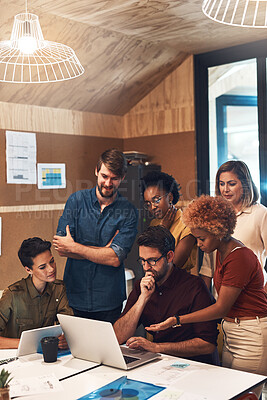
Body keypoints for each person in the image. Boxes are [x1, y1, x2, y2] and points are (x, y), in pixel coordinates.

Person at [147, 196, 267, 397]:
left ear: (219, 231)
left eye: (202, 238)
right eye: (196, 238)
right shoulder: (220, 251)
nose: (199, 244)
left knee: (247, 396)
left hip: (251, 336)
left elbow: (220, 307)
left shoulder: (239, 257)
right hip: (232, 332)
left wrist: (177, 320)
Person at [53, 149, 138, 324]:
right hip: (74, 296)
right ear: (96, 171)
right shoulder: (76, 201)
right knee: (74, 351)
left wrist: (75, 247)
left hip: (109, 300)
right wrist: (105, 251)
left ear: (122, 177)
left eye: (114, 178)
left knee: (105, 351)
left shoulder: (129, 212)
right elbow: (62, 248)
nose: (108, 183)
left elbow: (115, 259)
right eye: (104, 176)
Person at [113, 226, 219, 365]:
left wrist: (156, 348)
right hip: (161, 364)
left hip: (194, 365)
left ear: (169, 256)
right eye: (142, 260)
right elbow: (117, 337)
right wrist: (142, 299)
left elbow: (207, 344)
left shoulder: (194, 287)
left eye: (152, 260)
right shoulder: (143, 286)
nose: (145, 267)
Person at [199, 160, 267, 291]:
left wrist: (263, 296)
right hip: (220, 301)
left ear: (245, 184)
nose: (225, 189)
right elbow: (207, 268)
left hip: (252, 298)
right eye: (221, 184)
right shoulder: (213, 217)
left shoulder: (261, 214)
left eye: (231, 184)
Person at [0, 237, 73, 349]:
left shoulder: (59, 289)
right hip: (14, 359)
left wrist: (65, 339)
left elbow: (68, 328)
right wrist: (29, 343)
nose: (51, 269)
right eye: (42, 267)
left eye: (52, 261)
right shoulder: (12, 295)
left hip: (46, 356)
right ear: (28, 270)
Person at [141, 171, 196, 271]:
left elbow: (174, 265)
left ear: (170, 197)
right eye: (148, 204)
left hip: (180, 282)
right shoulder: (154, 223)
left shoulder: (187, 223)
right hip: (156, 282)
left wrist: (163, 230)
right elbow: (147, 260)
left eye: (156, 200)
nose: (152, 207)